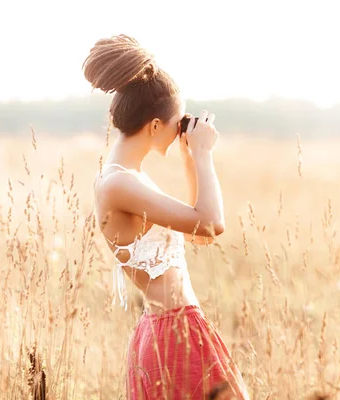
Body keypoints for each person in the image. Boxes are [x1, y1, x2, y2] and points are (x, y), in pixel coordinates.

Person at [83, 34, 249, 400]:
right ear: (155, 126)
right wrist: (204, 155)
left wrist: (191, 159)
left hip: (179, 326)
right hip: (170, 334)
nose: (179, 134)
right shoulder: (118, 184)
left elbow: (199, 234)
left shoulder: (131, 178)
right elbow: (212, 222)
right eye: (176, 125)